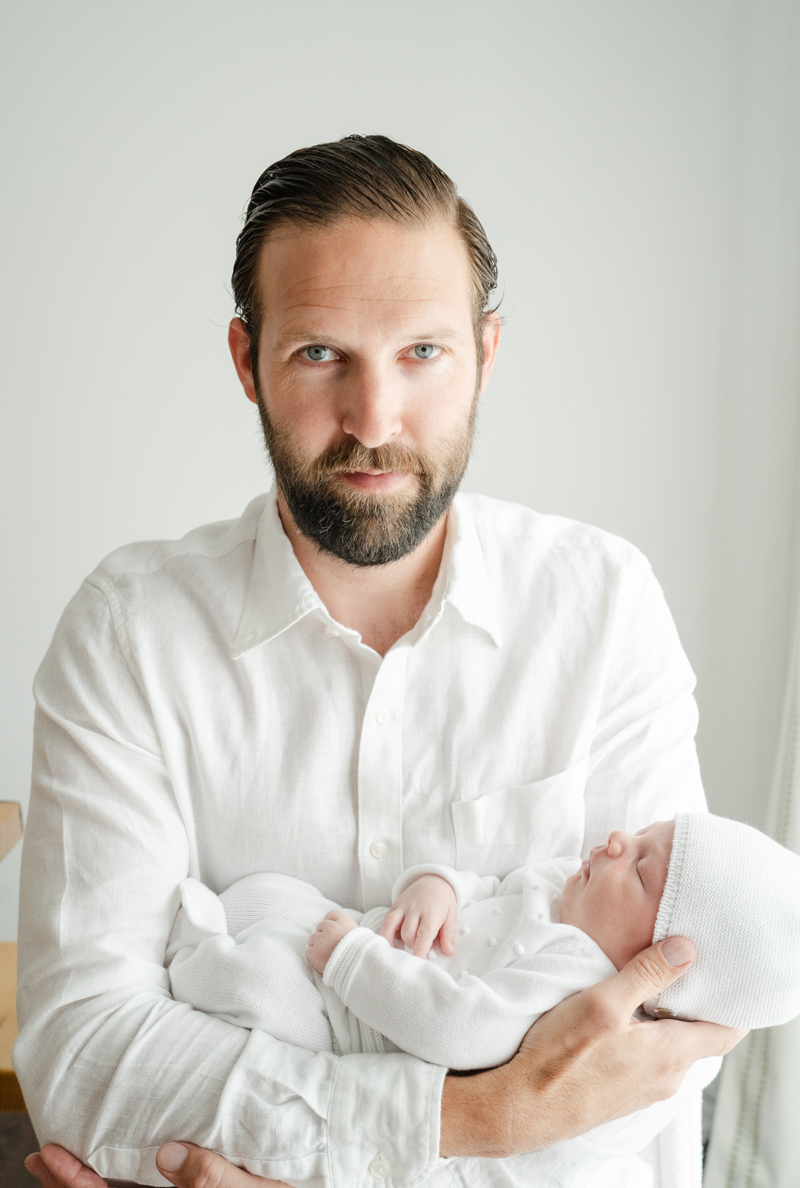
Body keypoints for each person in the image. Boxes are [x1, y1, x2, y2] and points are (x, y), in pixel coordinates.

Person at [18, 135, 744, 1188]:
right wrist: (486, 1114)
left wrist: (323, 1157)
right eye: (320, 354)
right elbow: (85, 1058)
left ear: (486, 354)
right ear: (245, 362)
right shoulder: (129, 633)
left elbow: (656, 1053)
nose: (372, 421)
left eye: (421, 353)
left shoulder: (602, 606)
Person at [162, 813, 800, 1187]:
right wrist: (438, 887)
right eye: (638, 837)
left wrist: (355, 960)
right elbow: (492, 884)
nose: (615, 844)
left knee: (261, 987)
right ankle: (214, 925)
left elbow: (458, 1028)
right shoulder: (567, 891)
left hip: (353, 1023)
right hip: (365, 937)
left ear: (655, 969)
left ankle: (193, 958)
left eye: (637, 871)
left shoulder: (577, 976)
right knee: (274, 894)